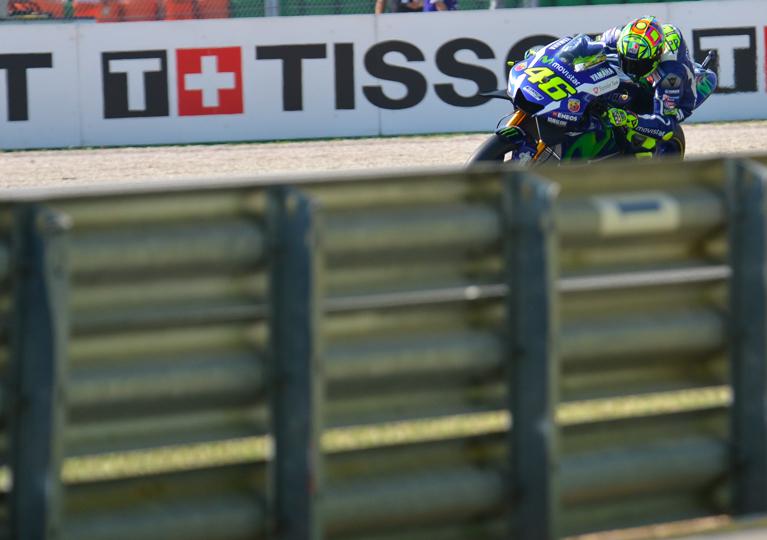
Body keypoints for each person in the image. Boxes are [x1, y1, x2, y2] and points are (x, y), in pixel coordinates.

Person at [596, 15, 717, 153]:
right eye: (627, 62)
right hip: (650, 71)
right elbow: (591, 46)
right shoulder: (620, 36)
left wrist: (628, 119)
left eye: (640, 65)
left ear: (656, 57)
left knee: (642, 119)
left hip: (677, 97)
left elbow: (665, 125)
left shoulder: (671, 74)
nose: (632, 70)